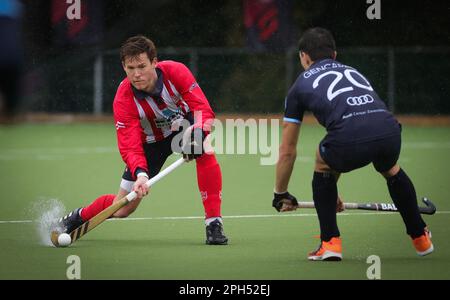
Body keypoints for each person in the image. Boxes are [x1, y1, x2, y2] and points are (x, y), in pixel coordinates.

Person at [272, 27, 433, 261]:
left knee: (322, 157)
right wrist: (331, 191)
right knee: (390, 167)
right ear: (334, 55)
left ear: (303, 57)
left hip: (350, 139)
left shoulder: (298, 87)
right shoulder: (352, 70)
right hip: (389, 133)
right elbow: (364, 119)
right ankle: (420, 237)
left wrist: (280, 193)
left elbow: (287, 151)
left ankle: (330, 243)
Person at [58, 35, 228, 245]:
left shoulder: (175, 71)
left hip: (183, 126)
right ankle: (78, 216)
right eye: (130, 68)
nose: (137, 74)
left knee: (203, 147)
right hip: (149, 144)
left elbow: (202, 107)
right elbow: (129, 144)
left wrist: (200, 132)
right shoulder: (123, 98)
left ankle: (213, 224)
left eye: (141, 66)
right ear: (123, 67)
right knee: (123, 208)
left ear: (154, 62)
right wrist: (140, 173)